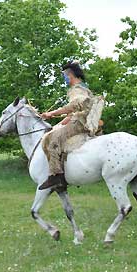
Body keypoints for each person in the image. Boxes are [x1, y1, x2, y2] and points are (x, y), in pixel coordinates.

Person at [39, 61, 100, 190]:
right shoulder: (85, 88)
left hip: (79, 123)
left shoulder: (76, 90)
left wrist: (52, 113)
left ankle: (56, 176)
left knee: (51, 140)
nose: (64, 79)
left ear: (70, 75)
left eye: (64, 76)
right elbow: (77, 110)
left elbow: (74, 105)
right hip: (80, 121)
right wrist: (61, 121)